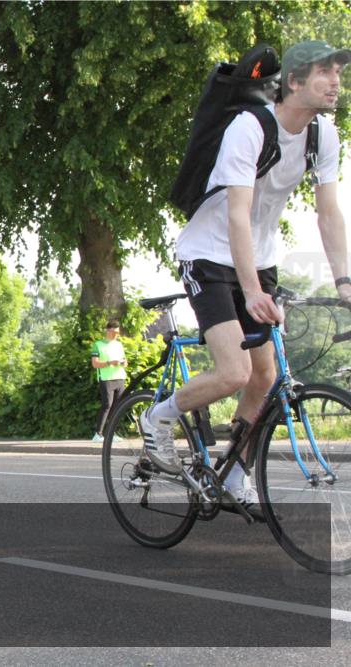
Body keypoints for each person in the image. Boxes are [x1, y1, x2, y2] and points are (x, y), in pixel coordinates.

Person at [143, 41, 350, 516]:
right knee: (234, 371)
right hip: (210, 256)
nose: (336, 81)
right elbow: (237, 215)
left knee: (265, 376)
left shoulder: (324, 134)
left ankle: (234, 471)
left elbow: (329, 212)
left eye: (338, 72)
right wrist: (253, 292)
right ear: (293, 83)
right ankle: (159, 417)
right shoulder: (249, 127)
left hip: (260, 258)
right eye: (324, 72)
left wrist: (344, 282)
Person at [91, 319, 127, 442]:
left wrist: (123, 362)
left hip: (120, 378)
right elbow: (95, 364)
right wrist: (109, 363)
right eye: (113, 332)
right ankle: (98, 434)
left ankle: (111, 433)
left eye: (117, 333)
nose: (116, 335)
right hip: (106, 379)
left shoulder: (119, 345)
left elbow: (125, 360)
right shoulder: (97, 344)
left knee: (117, 407)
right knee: (107, 405)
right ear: (108, 330)